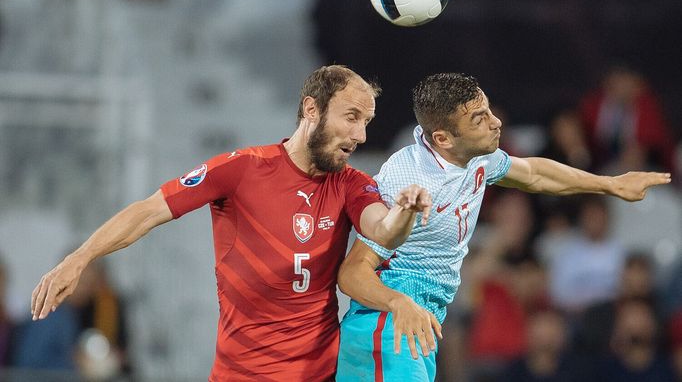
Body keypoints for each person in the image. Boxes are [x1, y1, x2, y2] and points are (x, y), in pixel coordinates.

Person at [30, 65, 433, 381]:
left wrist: (406, 212)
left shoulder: (351, 185)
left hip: (318, 372)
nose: (360, 134)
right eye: (351, 117)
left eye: (366, 121)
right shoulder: (242, 169)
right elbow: (148, 211)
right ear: (312, 109)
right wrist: (79, 258)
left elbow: (382, 229)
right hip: (239, 372)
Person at [335, 72, 671, 382]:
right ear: (443, 138)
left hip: (417, 320)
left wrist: (608, 184)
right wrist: (397, 303)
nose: (495, 122)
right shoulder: (408, 180)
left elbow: (533, 174)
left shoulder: (473, 154)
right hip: (387, 325)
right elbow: (352, 273)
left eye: (488, 109)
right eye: (479, 118)